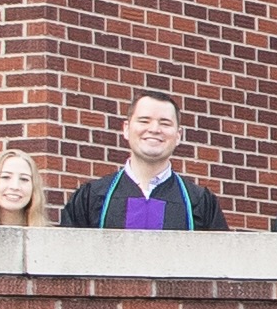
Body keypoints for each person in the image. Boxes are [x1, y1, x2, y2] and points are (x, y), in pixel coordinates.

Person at [63, 92, 229, 231]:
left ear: (178, 135)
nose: (154, 129)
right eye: (144, 121)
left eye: (165, 123)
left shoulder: (200, 203)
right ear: (126, 129)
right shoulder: (91, 197)